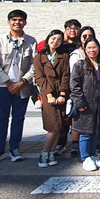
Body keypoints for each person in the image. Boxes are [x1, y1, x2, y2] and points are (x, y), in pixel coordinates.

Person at [0, 9, 37, 165]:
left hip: (22, 87)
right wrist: (8, 83)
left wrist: (22, 83)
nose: (17, 23)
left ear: (25, 23)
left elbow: (35, 65)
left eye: (20, 20)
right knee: (1, 118)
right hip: (2, 87)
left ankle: (15, 148)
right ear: (9, 22)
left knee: (18, 119)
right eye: (14, 20)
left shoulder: (31, 41)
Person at [71, 38, 100, 172]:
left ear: (99, 49)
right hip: (86, 104)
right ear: (84, 50)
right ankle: (85, 157)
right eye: (88, 48)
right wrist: (80, 102)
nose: (91, 50)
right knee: (85, 132)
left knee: (96, 131)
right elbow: (74, 85)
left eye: (94, 47)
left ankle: (92, 155)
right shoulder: (80, 65)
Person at [33, 29, 70, 168]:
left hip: (61, 94)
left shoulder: (64, 56)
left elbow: (66, 75)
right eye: (53, 39)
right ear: (48, 39)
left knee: (60, 126)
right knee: (53, 126)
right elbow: (39, 78)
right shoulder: (39, 57)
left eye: (59, 40)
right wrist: (48, 94)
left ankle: (51, 152)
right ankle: (44, 152)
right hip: (47, 94)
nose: (56, 42)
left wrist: (62, 93)